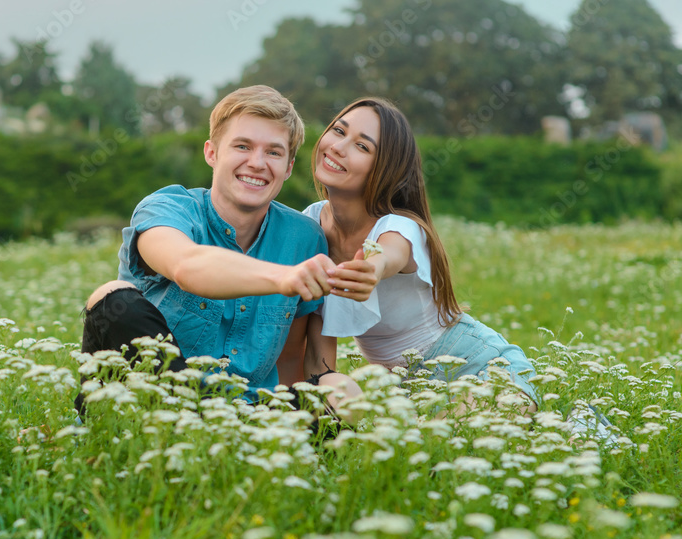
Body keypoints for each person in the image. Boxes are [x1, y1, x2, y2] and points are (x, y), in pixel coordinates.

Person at [77, 85, 335, 411]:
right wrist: (283, 278)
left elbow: (290, 360)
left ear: (288, 167)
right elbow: (187, 266)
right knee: (112, 296)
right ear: (211, 153)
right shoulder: (168, 208)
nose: (257, 163)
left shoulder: (304, 239)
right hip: (149, 406)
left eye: (273, 152)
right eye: (242, 146)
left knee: (341, 394)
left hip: (246, 417)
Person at [286, 97, 540, 412]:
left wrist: (373, 268)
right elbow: (319, 360)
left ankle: (579, 422)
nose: (338, 147)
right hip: (403, 389)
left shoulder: (399, 226)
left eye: (363, 147)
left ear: (385, 169)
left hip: (478, 367)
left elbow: (389, 253)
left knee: (458, 441)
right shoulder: (306, 228)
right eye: (338, 131)